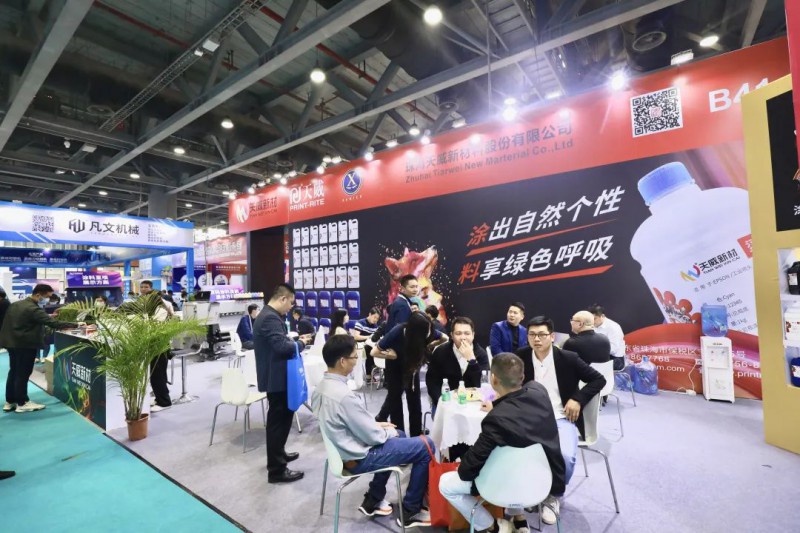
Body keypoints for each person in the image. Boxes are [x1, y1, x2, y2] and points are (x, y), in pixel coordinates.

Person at [312, 334, 434, 527]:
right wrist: (386, 431)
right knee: (426, 446)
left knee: (400, 433)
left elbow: (346, 422)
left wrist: (379, 425)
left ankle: (374, 499)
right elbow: (372, 437)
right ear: (342, 361)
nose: (356, 361)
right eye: (354, 357)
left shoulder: (320, 388)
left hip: (343, 449)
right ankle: (411, 510)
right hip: (358, 457)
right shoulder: (343, 396)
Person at [440, 353, 566, 533]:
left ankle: (492, 526)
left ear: (493, 379)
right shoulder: (539, 390)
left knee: (445, 484)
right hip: (544, 481)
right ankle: (519, 517)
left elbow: (467, 471)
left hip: (505, 484)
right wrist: (499, 404)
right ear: (522, 376)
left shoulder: (495, 420)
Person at [517, 316, 605, 523]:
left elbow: (598, 379)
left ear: (552, 336)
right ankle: (530, 489)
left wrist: (578, 399)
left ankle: (553, 495)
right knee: (511, 449)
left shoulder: (568, 358)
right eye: (532, 334)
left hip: (561, 416)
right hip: (528, 416)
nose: (536, 339)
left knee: (565, 456)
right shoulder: (521, 356)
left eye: (541, 334)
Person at [253, 283, 312, 484]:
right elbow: (282, 347)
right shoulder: (270, 318)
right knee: (278, 423)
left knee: (281, 421)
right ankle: (277, 470)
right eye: (291, 303)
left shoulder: (268, 315)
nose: (291, 307)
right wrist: (301, 343)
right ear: (283, 299)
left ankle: (279, 454)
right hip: (277, 379)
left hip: (277, 377)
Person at [1, 284, 77, 413]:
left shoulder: (16, 304)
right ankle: (22, 402)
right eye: (47, 297)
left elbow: (26, 320)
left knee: (14, 371)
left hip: (11, 343)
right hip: (25, 344)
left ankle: (10, 401)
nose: (48, 300)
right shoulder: (33, 308)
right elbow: (53, 324)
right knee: (23, 373)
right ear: (38, 295)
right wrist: (77, 325)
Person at [372, 312, 442, 436]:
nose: (428, 333)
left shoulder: (426, 330)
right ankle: (399, 433)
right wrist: (390, 355)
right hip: (394, 366)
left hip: (412, 365)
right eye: (425, 330)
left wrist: (429, 345)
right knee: (395, 399)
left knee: (415, 400)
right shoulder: (397, 331)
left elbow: (444, 338)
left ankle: (416, 432)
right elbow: (374, 352)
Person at [426, 316, 489, 410]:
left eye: (467, 333)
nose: (463, 338)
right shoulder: (441, 351)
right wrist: (440, 401)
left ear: (473, 335)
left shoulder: (481, 354)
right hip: (445, 400)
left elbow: (481, 384)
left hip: (472, 402)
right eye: (458, 333)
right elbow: (432, 380)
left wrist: (472, 360)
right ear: (451, 335)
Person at [140, 280, 175, 412]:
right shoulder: (155, 306)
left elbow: (154, 325)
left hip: (159, 343)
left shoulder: (160, 308)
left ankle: (164, 402)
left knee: (157, 374)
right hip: (155, 342)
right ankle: (159, 397)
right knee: (156, 373)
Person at [589, 304, 626, 370]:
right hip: (600, 356)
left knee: (591, 368)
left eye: (594, 319)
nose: (592, 321)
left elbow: (614, 350)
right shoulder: (592, 325)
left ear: (602, 316)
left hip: (615, 359)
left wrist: (596, 347)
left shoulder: (613, 327)